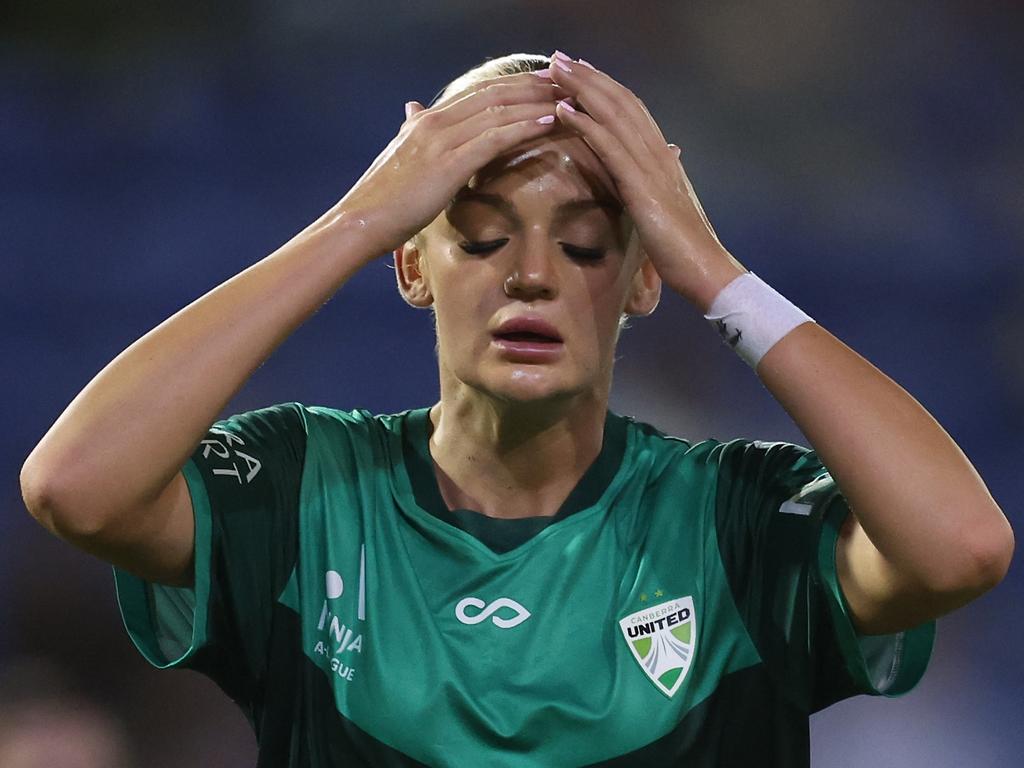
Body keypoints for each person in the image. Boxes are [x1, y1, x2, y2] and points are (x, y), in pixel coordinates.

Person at [20, 49, 1013, 767]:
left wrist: (714, 270)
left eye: (586, 246)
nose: (533, 275)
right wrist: (354, 224)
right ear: (414, 264)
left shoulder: (739, 515)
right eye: (484, 237)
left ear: (640, 282)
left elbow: (960, 547)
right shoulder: (304, 485)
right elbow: (76, 486)